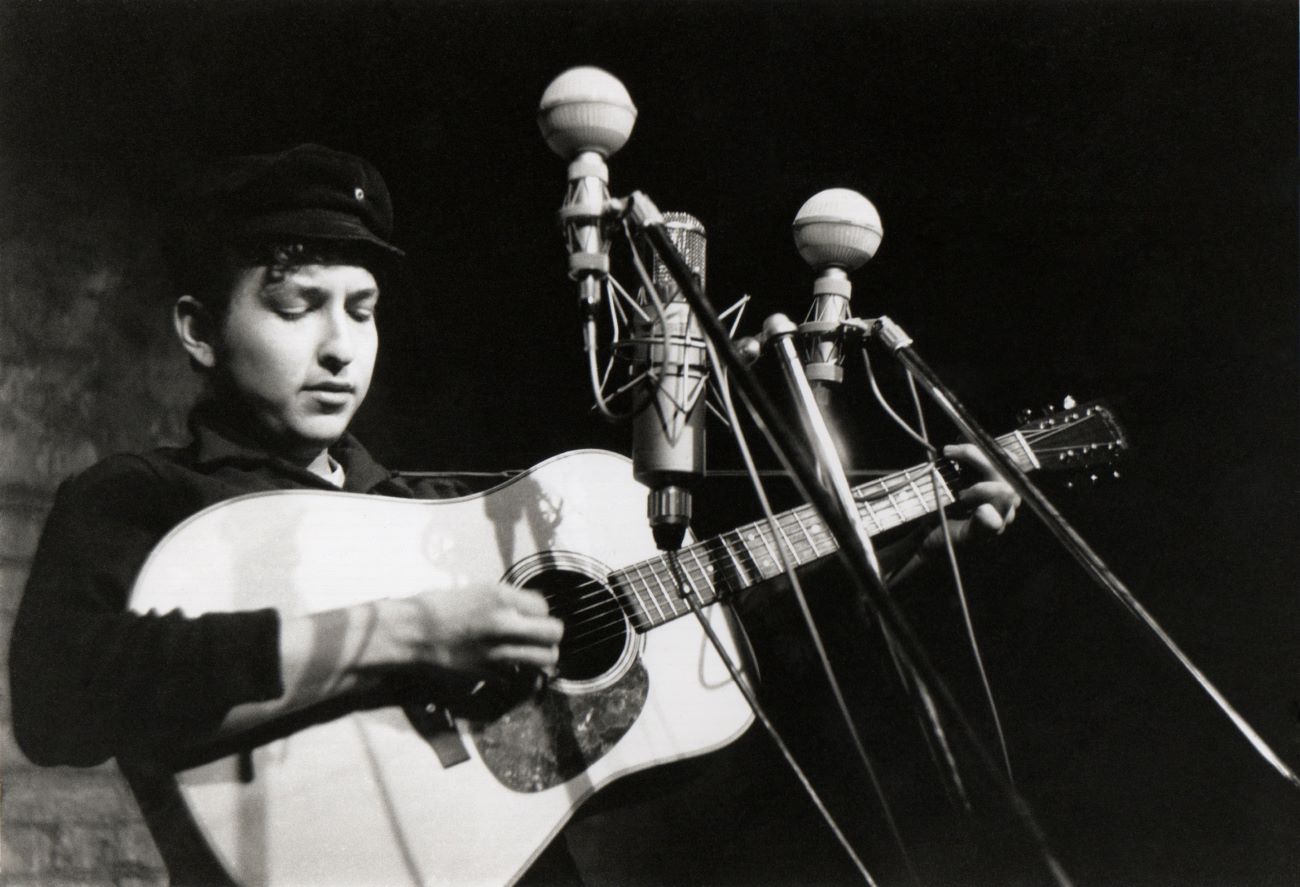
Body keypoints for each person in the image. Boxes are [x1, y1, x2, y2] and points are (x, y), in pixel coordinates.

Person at [7, 143, 1019, 885]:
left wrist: (896, 551)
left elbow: (705, 649)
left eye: (360, 310)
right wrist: (395, 632)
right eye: (295, 303)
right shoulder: (143, 498)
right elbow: (61, 700)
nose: (337, 346)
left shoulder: (444, 514)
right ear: (197, 327)